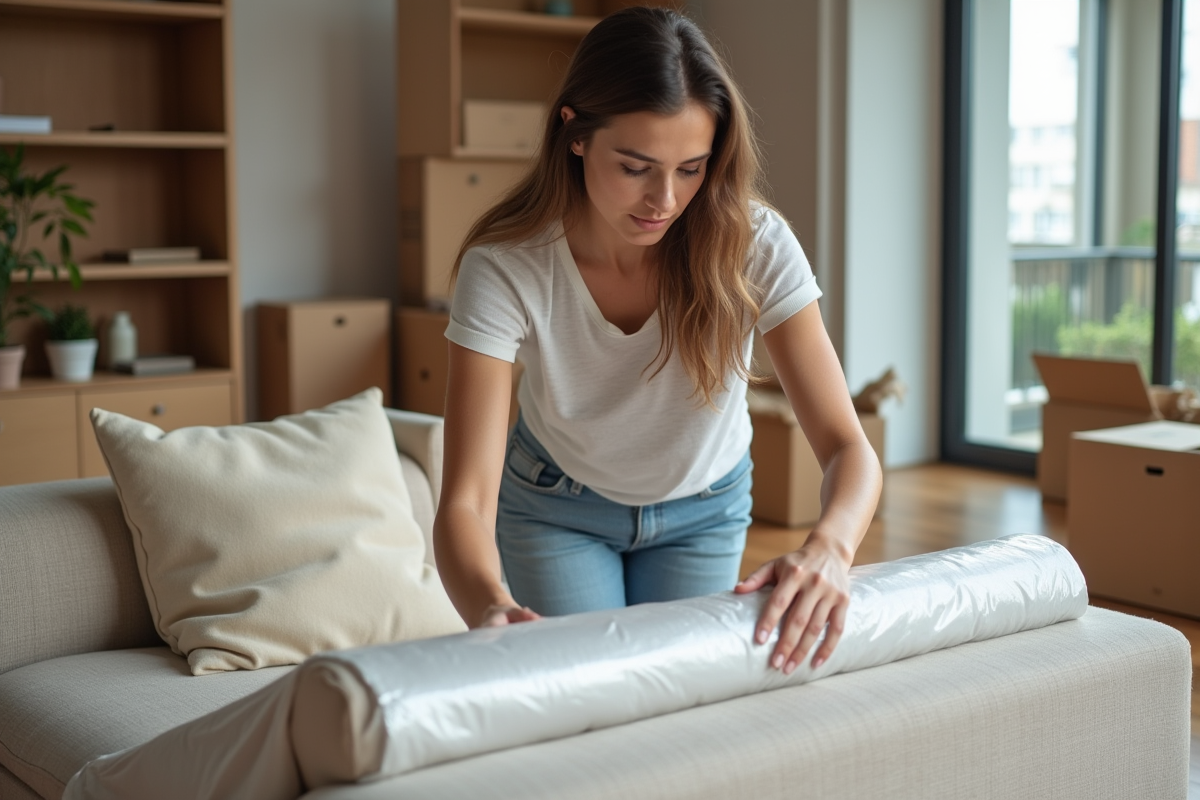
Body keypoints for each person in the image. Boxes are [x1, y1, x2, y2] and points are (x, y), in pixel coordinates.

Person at [433, 6, 881, 675]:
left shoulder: (754, 245)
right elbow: (465, 500)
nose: (664, 200)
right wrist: (491, 609)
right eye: (636, 166)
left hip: (705, 509)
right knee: (589, 696)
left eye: (692, 168)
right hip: (558, 508)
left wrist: (831, 548)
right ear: (575, 134)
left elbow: (850, 448)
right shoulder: (507, 265)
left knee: (682, 701)